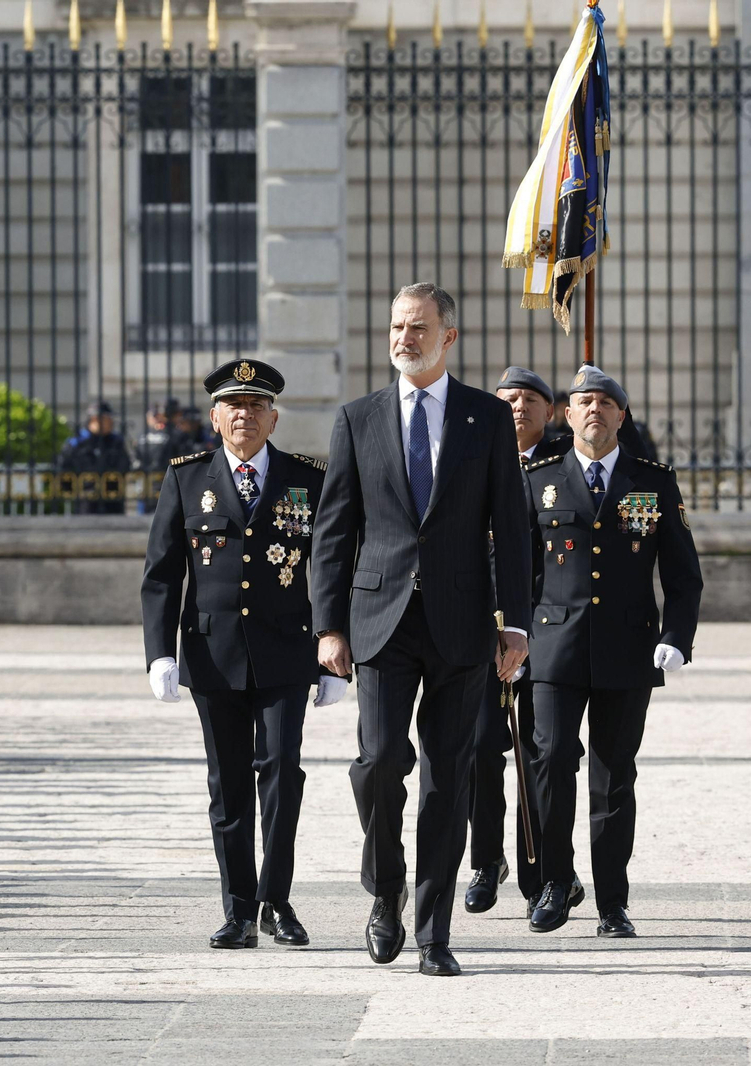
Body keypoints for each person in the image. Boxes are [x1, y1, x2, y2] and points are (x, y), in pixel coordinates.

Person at [308, 283, 531, 978]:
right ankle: (386, 887)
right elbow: (333, 530)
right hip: (378, 622)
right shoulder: (358, 418)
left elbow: (512, 528)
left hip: (462, 625)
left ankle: (434, 933)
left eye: (419, 326)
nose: (405, 336)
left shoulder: (486, 418)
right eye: (398, 326)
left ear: (448, 337)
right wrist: (329, 626)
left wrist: (516, 624)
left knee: (446, 780)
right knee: (378, 764)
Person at [141, 358, 342, 951]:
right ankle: (238, 909)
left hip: (285, 652)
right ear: (214, 417)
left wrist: (335, 646)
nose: (245, 416)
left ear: (273, 417)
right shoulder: (186, 477)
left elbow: (331, 567)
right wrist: (159, 653)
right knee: (228, 784)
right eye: (234, 406)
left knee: (282, 773)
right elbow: (161, 575)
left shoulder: (306, 478)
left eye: (256, 407)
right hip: (212, 651)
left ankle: (276, 900)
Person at [523, 365, 702, 938]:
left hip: (628, 649)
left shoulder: (653, 481)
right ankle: (553, 882)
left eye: (605, 402)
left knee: (613, 776)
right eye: (583, 403)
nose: (594, 410)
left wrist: (675, 637)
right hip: (553, 647)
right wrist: (511, 635)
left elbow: (683, 574)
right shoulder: (539, 479)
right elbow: (514, 568)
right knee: (549, 761)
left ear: (621, 416)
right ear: (566, 416)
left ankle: (611, 903)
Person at [463, 365, 560, 916]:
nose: (517, 406)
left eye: (529, 398)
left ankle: (539, 872)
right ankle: (485, 860)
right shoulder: (474, 459)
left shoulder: (562, 467)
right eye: (507, 398)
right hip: (481, 633)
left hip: (544, 632)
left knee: (538, 754)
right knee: (480, 748)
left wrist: (527, 629)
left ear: (550, 412)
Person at [56, 400, 130, 515]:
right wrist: (72, 491)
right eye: (108, 419)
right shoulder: (77, 442)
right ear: (95, 419)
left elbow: (125, 465)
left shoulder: (116, 442)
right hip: (86, 500)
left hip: (113, 499)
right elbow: (64, 467)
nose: (111, 422)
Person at [131, 402, 192, 512]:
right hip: (165, 482)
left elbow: (136, 459)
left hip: (148, 483)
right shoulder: (176, 433)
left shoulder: (141, 435)